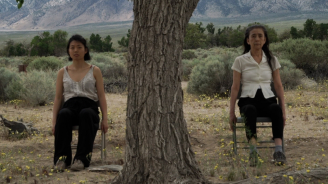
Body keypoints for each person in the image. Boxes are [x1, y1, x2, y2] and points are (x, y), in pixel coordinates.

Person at [229, 25, 286, 167]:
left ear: (265, 40)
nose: (257, 39)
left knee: (276, 109)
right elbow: (235, 87)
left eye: (260, 36)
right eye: (253, 36)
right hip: (248, 100)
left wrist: (283, 111)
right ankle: (253, 152)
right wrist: (231, 113)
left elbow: (278, 86)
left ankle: (278, 151)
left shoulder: (272, 60)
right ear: (248, 40)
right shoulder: (240, 60)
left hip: (267, 99)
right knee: (249, 110)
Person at [52, 34, 109, 171]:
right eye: (72, 47)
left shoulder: (94, 70)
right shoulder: (62, 72)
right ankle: (62, 160)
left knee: (86, 113)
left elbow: (101, 96)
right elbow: (58, 98)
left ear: (86, 50)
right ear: (68, 51)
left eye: (79, 47)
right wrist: (54, 121)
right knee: (64, 114)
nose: (75, 50)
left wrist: (105, 118)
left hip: (89, 107)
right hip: (70, 107)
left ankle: (81, 159)